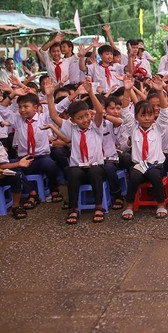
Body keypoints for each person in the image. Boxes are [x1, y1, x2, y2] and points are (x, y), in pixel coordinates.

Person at [45, 79, 107, 225]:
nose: (85, 120)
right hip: (78, 168)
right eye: (79, 118)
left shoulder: (96, 127)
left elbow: (99, 111)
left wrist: (91, 92)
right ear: (73, 120)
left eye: (86, 115)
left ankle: (98, 206)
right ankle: (73, 208)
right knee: (72, 172)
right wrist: (49, 96)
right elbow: (54, 116)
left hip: (95, 166)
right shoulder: (70, 128)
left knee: (95, 171)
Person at [0, 86, 66, 207]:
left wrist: (51, 96)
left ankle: (54, 189)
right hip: (24, 159)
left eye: (25, 106)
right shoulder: (17, 120)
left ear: (35, 107)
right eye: (20, 107)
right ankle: (32, 193)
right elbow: (0, 108)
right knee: (10, 166)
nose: (22, 110)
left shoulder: (43, 118)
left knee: (50, 164)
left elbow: (58, 108)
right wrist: (13, 94)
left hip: (41, 158)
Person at [119, 75, 168, 220]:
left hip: (155, 165)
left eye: (150, 115)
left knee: (155, 176)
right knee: (134, 176)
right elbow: (124, 111)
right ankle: (129, 205)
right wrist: (127, 90)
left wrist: (160, 91)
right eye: (143, 115)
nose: (147, 118)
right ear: (136, 117)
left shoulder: (158, 128)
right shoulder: (133, 128)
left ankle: (161, 204)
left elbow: (165, 112)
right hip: (138, 164)